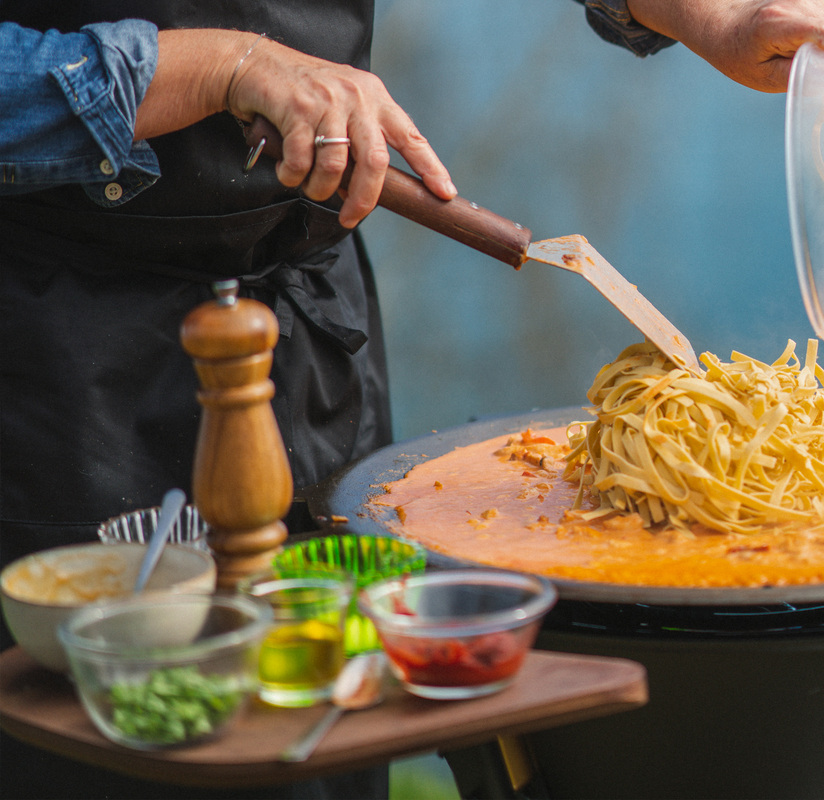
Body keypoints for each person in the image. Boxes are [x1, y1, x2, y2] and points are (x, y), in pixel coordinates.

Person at [1, 1, 824, 798]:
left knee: (334, 735)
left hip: (313, 337)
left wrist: (711, 10)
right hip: (65, 359)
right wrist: (225, 66)